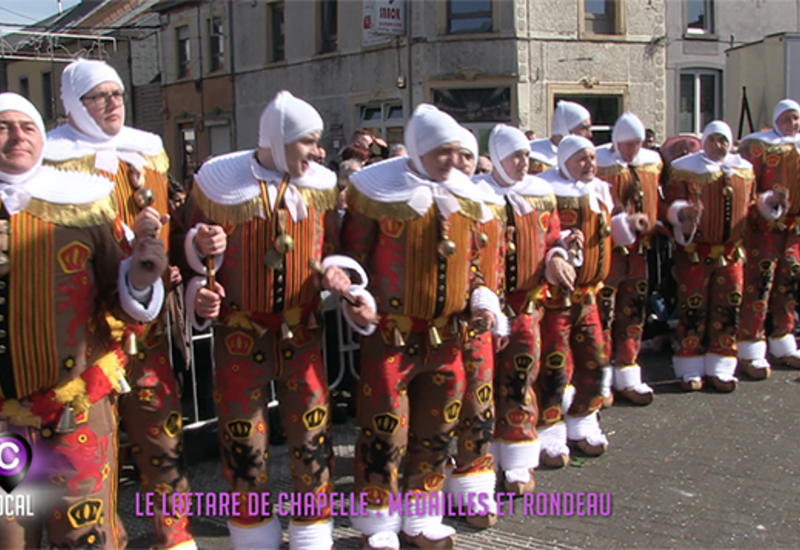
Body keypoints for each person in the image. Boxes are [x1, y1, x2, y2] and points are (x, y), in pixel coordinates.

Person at [187, 91, 354, 550]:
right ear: (278, 141)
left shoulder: (319, 184)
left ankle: (311, 528)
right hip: (240, 333)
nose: (318, 151)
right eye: (308, 141)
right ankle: (253, 531)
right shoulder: (218, 181)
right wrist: (199, 261)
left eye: (318, 142)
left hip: (302, 333)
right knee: (243, 440)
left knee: (313, 433)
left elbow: (332, 247)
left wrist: (334, 271)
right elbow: (187, 246)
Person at [0, 92, 166, 549]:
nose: (17, 136)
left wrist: (138, 277)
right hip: (4, 425)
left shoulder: (84, 203)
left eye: (27, 126)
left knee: (85, 530)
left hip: (76, 409)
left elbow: (118, 299)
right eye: (3, 127)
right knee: (11, 531)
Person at [43, 58, 195, 550]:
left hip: (147, 331)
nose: (111, 104)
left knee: (162, 440)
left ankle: (175, 536)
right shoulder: (49, 159)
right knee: (94, 455)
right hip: (89, 339)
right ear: (73, 104)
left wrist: (183, 260)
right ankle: (110, 539)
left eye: (117, 94)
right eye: (98, 96)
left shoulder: (146, 151)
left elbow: (176, 225)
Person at [341, 104, 501, 550]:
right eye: (440, 153)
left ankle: (422, 514)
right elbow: (353, 258)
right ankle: (379, 520)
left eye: (456, 152)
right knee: (385, 427)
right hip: (392, 336)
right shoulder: (376, 194)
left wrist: (482, 299)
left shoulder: (467, 198)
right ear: (418, 150)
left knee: (438, 427)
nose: (452, 162)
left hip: (448, 338)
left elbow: (476, 263)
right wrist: (356, 298)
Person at [469, 124, 568, 501]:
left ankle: (517, 456)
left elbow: (553, 236)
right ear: (496, 156)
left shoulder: (541, 194)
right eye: (515, 155)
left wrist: (559, 254)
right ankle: (479, 457)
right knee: (482, 382)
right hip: (486, 309)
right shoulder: (476, 195)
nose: (524, 162)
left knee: (521, 377)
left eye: (527, 155)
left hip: (527, 305)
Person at [536, 136, 647, 467]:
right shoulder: (548, 190)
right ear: (565, 161)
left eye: (591, 156)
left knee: (595, 359)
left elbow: (604, 231)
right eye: (581, 158)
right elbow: (544, 234)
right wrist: (563, 245)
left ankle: (584, 417)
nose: (589, 163)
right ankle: (549, 427)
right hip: (557, 297)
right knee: (555, 363)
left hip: (588, 295)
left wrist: (626, 226)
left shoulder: (599, 188)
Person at [664, 121, 754, 392]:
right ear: (704, 141)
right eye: (714, 140)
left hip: (730, 253)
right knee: (693, 308)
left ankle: (722, 364)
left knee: (728, 308)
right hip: (695, 253)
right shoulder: (685, 169)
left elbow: (751, 202)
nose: (719, 146)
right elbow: (671, 204)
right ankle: (689, 364)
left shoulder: (743, 170)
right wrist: (683, 218)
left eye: (724, 141)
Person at [595, 113, 663, 406]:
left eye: (637, 144)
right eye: (627, 144)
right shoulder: (601, 166)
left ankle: (628, 370)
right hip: (610, 252)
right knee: (604, 313)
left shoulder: (652, 164)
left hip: (639, 253)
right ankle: (601, 379)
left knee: (634, 311)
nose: (633, 150)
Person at [737, 99, 800, 378]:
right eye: (788, 118)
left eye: (796, 119)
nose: (793, 124)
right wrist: (769, 201)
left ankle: (783, 339)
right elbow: (749, 188)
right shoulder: (759, 146)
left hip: (795, 228)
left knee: (789, 282)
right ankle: (751, 345)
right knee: (760, 284)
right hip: (765, 228)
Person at [529, 100, 592, 175]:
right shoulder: (531, 154)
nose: (590, 134)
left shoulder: (589, 158)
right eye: (584, 128)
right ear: (566, 127)